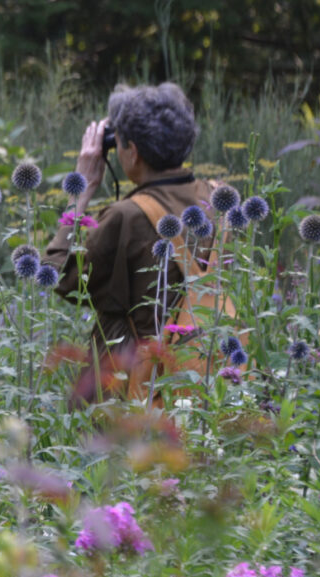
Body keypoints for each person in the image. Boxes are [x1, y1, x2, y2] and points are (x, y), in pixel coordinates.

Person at [41, 83, 220, 400]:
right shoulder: (218, 199)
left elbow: (59, 275)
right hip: (201, 382)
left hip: (128, 390)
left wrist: (79, 193)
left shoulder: (128, 217)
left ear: (132, 151)